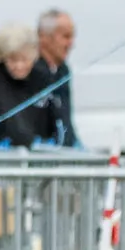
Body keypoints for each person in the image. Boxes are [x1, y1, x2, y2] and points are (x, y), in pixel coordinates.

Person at [32, 9, 79, 148]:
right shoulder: (28, 72)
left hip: (64, 154)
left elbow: (66, 121)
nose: (71, 44)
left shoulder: (63, 71)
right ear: (44, 37)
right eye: (66, 36)